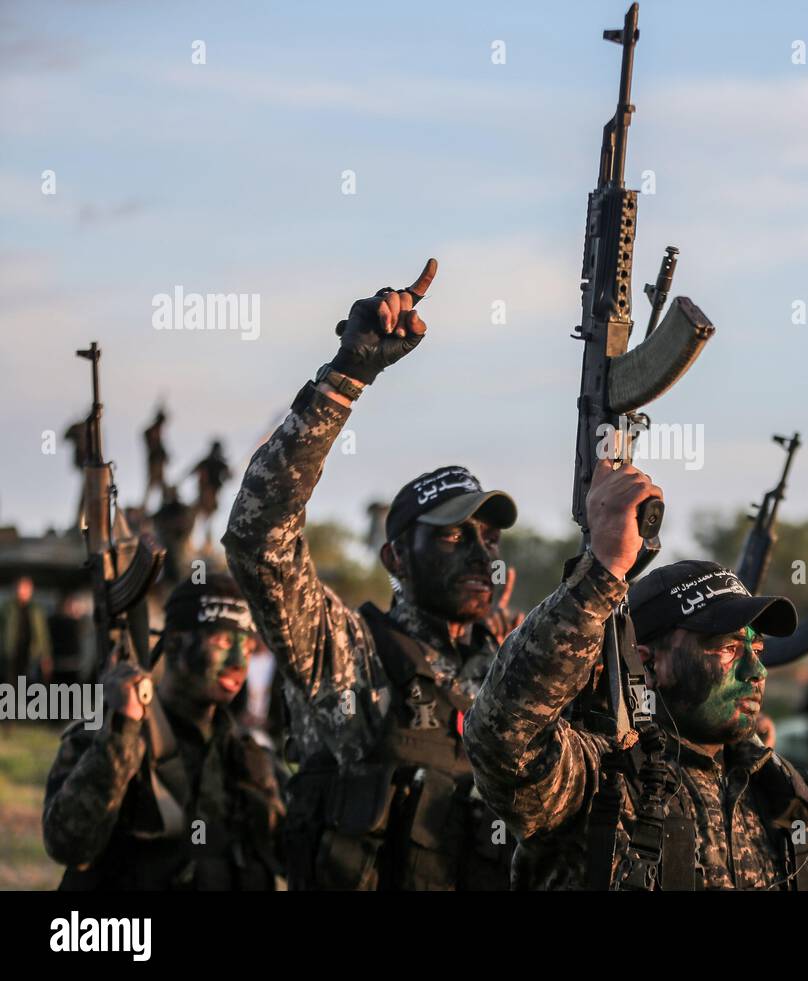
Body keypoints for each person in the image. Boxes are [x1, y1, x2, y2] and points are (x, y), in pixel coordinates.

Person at [223, 258, 516, 890]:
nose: (477, 553)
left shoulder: (515, 668)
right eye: (451, 536)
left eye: (487, 538)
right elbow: (259, 543)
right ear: (396, 560)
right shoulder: (353, 655)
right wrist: (345, 379)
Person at [463, 468, 808, 891]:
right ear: (649, 663)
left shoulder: (781, 796)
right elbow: (505, 739)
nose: (756, 670)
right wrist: (602, 573)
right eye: (728, 647)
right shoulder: (601, 779)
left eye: (758, 649)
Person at [42, 575, 283, 890]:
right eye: (222, 642)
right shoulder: (111, 733)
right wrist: (122, 731)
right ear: (173, 642)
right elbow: (67, 843)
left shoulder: (246, 756)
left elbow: (297, 858)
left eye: (249, 648)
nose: (239, 663)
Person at [1, 576, 52, 686]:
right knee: (11, 684)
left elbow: (43, 635)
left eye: (27, 588)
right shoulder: (8, 608)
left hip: (31, 653)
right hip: (11, 652)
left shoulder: (36, 610)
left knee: (30, 683)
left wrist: (46, 656)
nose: (24, 591)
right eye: (21, 588)